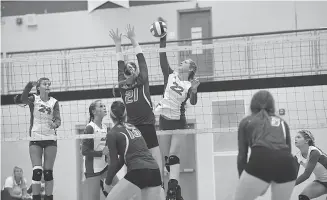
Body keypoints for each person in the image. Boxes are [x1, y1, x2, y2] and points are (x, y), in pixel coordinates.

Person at [109, 25, 164, 185]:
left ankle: (159, 185)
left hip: (147, 125)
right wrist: (117, 44)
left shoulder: (142, 81)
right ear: (126, 74)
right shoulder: (122, 86)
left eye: (133, 68)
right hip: (132, 129)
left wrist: (133, 40)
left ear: (137, 71)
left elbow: (142, 60)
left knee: (155, 158)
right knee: (131, 159)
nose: (131, 70)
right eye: (128, 69)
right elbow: (120, 64)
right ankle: (133, 188)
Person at [155, 17, 200, 200]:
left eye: (185, 62)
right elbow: (162, 57)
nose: (182, 63)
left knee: (173, 156)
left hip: (179, 123)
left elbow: (194, 102)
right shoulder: (170, 75)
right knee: (167, 161)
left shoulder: (190, 84)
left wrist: (195, 90)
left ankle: (171, 192)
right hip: (164, 121)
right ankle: (177, 192)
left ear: (190, 69)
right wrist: (162, 38)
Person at [234, 90, 297, 200]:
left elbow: (242, 156)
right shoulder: (282, 122)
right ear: (272, 105)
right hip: (288, 165)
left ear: (253, 104)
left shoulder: (246, 121)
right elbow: (288, 150)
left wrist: (243, 180)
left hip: (261, 161)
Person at [102, 101, 162, 200]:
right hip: (154, 171)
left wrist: (107, 182)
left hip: (138, 171)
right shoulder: (134, 128)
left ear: (111, 116)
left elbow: (114, 162)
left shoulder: (112, 133)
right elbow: (121, 160)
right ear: (126, 114)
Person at [21, 78, 61, 200]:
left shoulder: (54, 102)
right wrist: (28, 86)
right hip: (36, 137)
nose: (48, 85)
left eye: (49, 84)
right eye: (45, 84)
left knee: (48, 173)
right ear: (38, 87)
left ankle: (49, 198)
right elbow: (23, 99)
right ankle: (36, 198)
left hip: (50, 138)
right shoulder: (34, 99)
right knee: (37, 172)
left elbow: (58, 119)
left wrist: (55, 124)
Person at [81, 100, 119, 200]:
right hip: (93, 169)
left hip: (104, 167)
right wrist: (101, 153)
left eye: (104, 106)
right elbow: (84, 151)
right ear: (94, 111)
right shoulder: (90, 128)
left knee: (118, 188)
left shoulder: (106, 128)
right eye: (101, 106)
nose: (104, 107)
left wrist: (109, 156)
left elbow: (106, 148)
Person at [294, 130, 327, 200]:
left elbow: (306, 175)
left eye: (298, 137)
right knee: (303, 197)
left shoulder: (314, 152)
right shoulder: (297, 157)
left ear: (307, 141)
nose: (295, 139)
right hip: (321, 182)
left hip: (322, 182)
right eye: (295, 137)